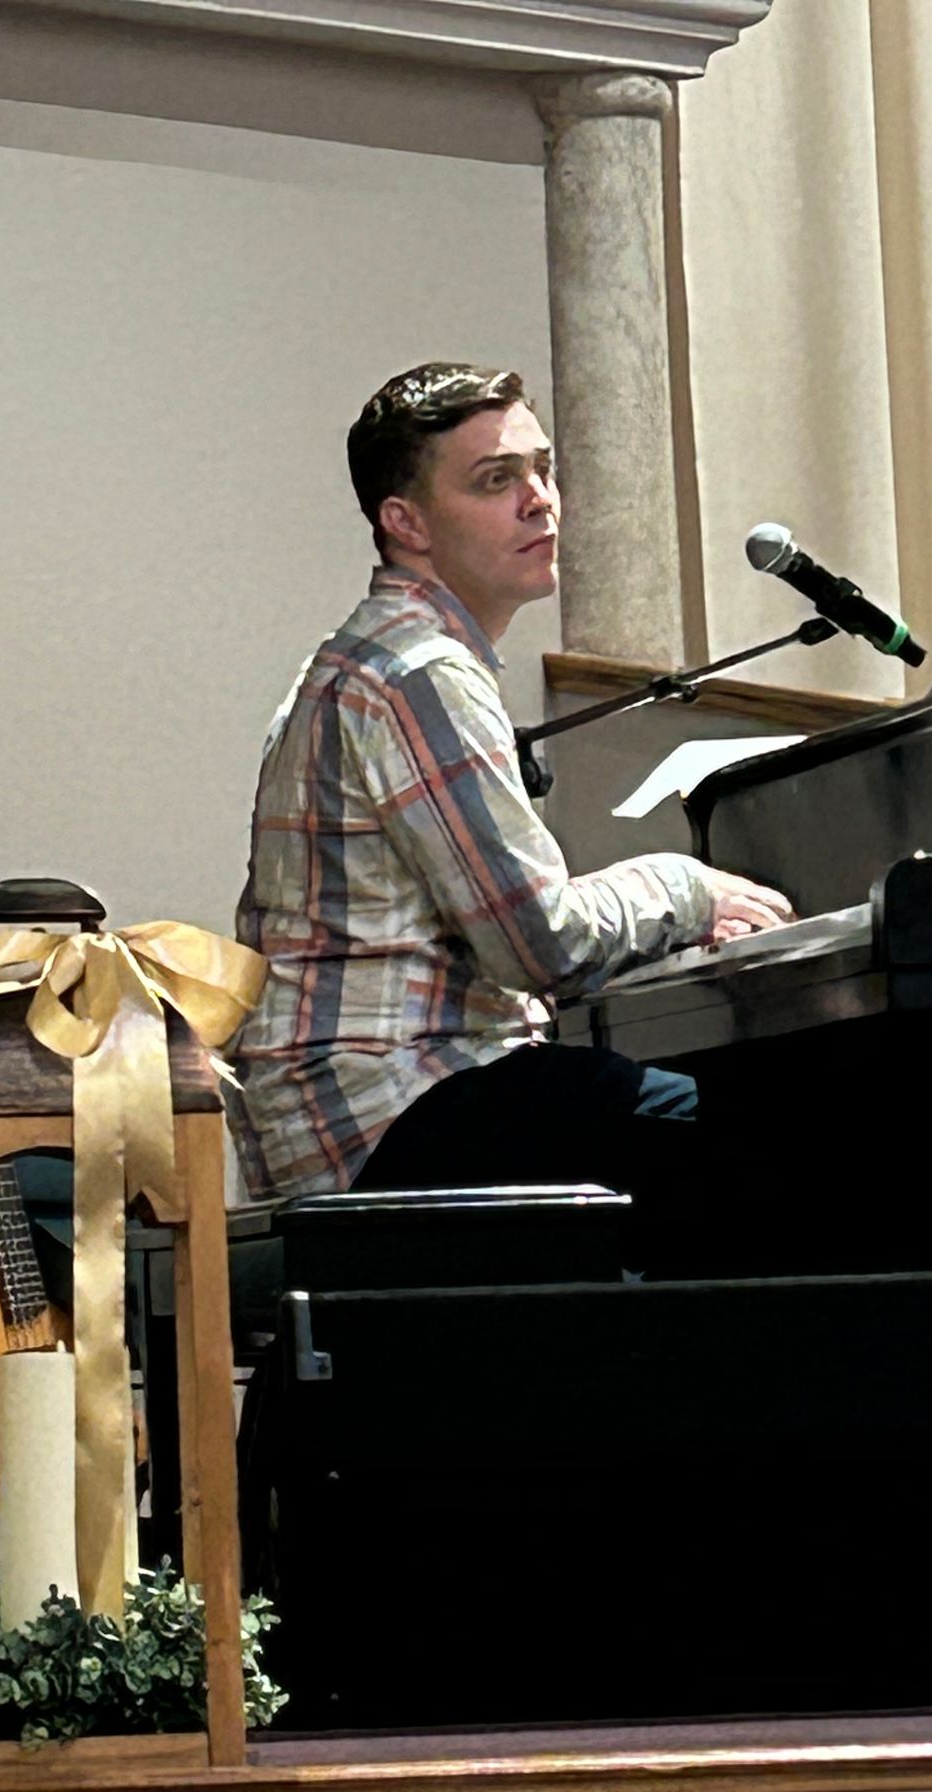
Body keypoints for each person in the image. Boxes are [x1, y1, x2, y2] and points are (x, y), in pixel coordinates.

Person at [230, 362, 792, 1233]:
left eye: (543, 470)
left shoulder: (376, 654)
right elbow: (544, 945)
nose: (540, 501)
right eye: (497, 480)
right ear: (405, 523)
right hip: (395, 1112)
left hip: (385, 1104)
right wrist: (688, 890)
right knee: (780, 1138)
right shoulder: (420, 671)